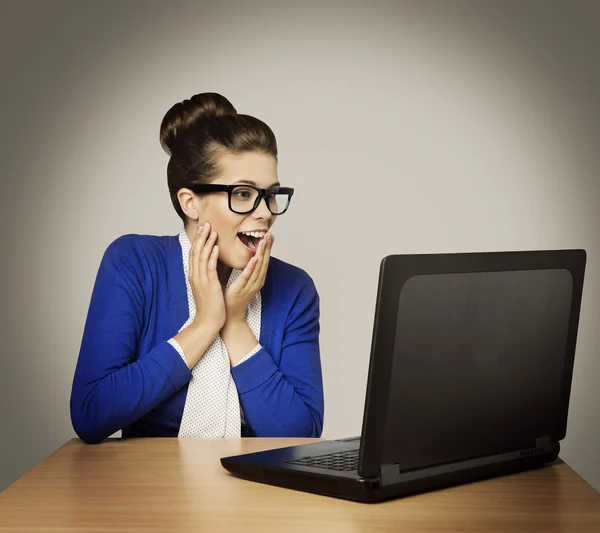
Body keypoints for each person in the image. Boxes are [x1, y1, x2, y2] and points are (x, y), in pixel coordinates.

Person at [70, 92, 324, 444]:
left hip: (257, 491)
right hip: (148, 487)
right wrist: (205, 323)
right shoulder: (135, 262)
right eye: (243, 193)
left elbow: (299, 436)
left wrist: (235, 324)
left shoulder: (294, 288)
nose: (265, 212)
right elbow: (91, 414)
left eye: (271, 194)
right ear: (191, 203)